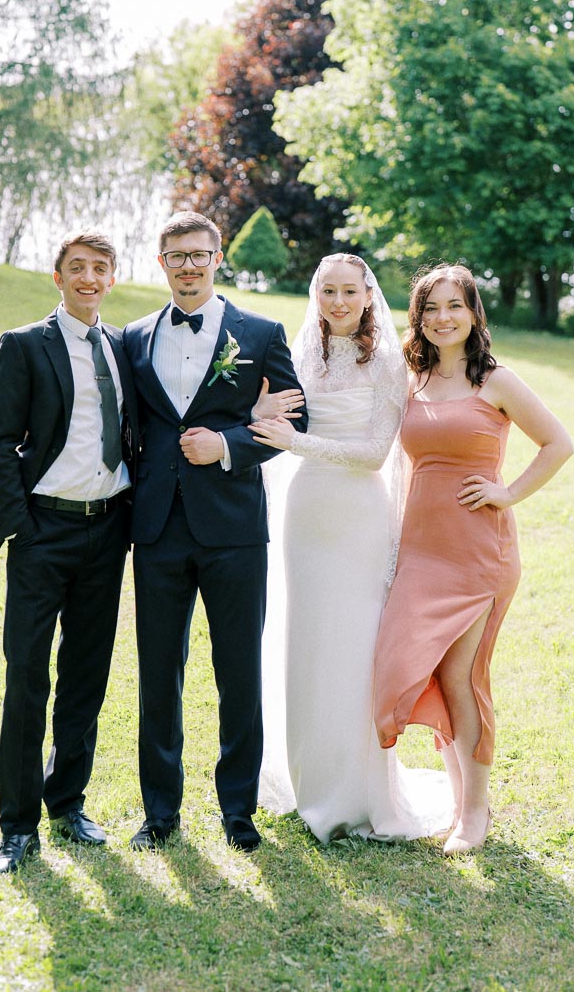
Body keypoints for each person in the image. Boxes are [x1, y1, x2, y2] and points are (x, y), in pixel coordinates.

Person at [249, 254, 453, 843]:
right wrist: (266, 419)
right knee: (306, 637)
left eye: (348, 292)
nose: (338, 302)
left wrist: (298, 442)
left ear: (368, 297)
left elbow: (373, 453)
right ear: (316, 296)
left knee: (354, 644)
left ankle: (358, 789)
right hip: (306, 511)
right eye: (327, 291)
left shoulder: (390, 362)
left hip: (358, 515)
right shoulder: (298, 354)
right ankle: (309, 778)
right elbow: (271, 416)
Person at [122, 211, 307, 853]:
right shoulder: (133, 338)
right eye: (176, 255)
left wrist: (227, 444)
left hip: (232, 529)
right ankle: (160, 812)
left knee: (238, 671)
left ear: (217, 256)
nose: (189, 266)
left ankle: (237, 811)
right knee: (158, 673)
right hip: (156, 531)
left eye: (199, 254)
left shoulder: (260, 331)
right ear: (161, 261)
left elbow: (295, 416)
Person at [373, 264, 574, 855]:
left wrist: (507, 491)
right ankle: (459, 798)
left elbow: (558, 442)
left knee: (462, 676)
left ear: (473, 313)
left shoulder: (497, 381)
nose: (442, 317)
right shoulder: (411, 378)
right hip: (419, 551)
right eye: (430, 308)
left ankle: (474, 812)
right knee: (415, 669)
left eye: (453, 306)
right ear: (418, 317)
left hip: (477, 554)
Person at [0, 231, 138, 874]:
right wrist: (22, 527)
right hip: (44, 533)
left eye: (100, 269)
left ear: (113, 278)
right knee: (26, 677)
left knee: (86, 678)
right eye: (78, 268)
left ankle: (67, 803)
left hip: (108, 533)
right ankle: (16, 827)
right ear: (58, 276)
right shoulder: (23, 346)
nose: (89, 278)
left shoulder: (125, 346)